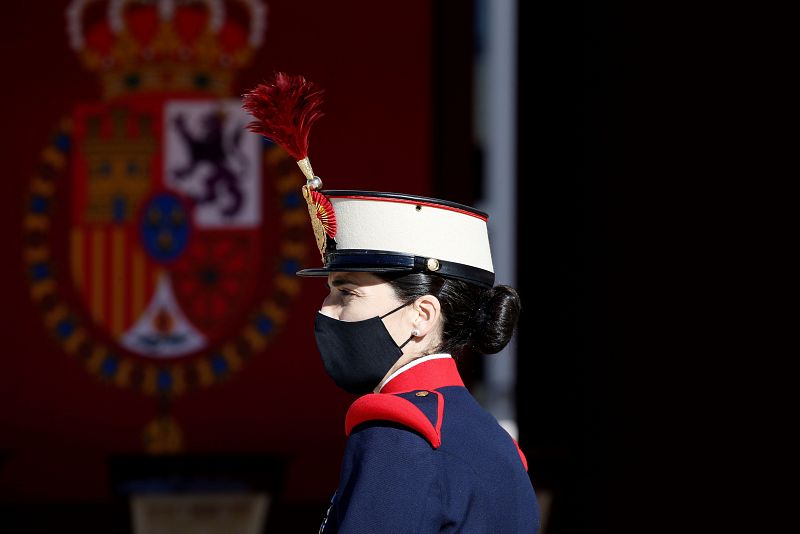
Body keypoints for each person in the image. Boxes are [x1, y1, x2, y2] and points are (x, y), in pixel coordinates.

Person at [296, 190, 540, 533]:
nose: (325, 309)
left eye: (347, 292)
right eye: (329, 291)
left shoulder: (400, 435)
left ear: (422, 316)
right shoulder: (498, 444)